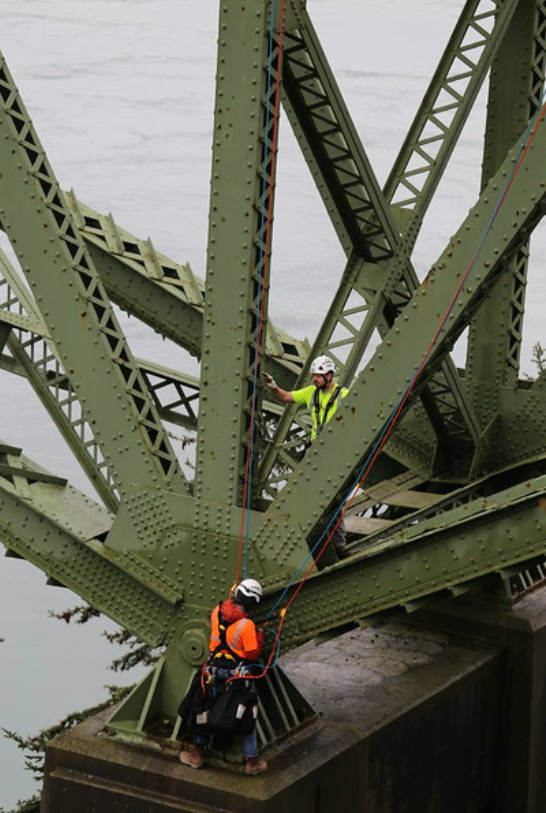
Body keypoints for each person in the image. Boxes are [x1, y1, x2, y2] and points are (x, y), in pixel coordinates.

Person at [264, 354, 350, 558]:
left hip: (333, 454)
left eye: (318, 376)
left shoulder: (344, 395)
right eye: (314, 376)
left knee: (333, 500)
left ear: (329, 375)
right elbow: (286, 397)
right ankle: (310, 535)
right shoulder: (311, 393)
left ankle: (338, 543)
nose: (315, 379)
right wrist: (273, 386)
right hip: (314, 453)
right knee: (308, 493)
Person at [179, 578, 268, 776]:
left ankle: (197, 755)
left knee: (204, 709)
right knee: (247, 713)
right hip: (235, 675)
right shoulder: (246, 625)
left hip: (212, 671)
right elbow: (253, 653)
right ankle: (251, 761)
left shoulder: (216, 612)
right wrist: (260, 636)